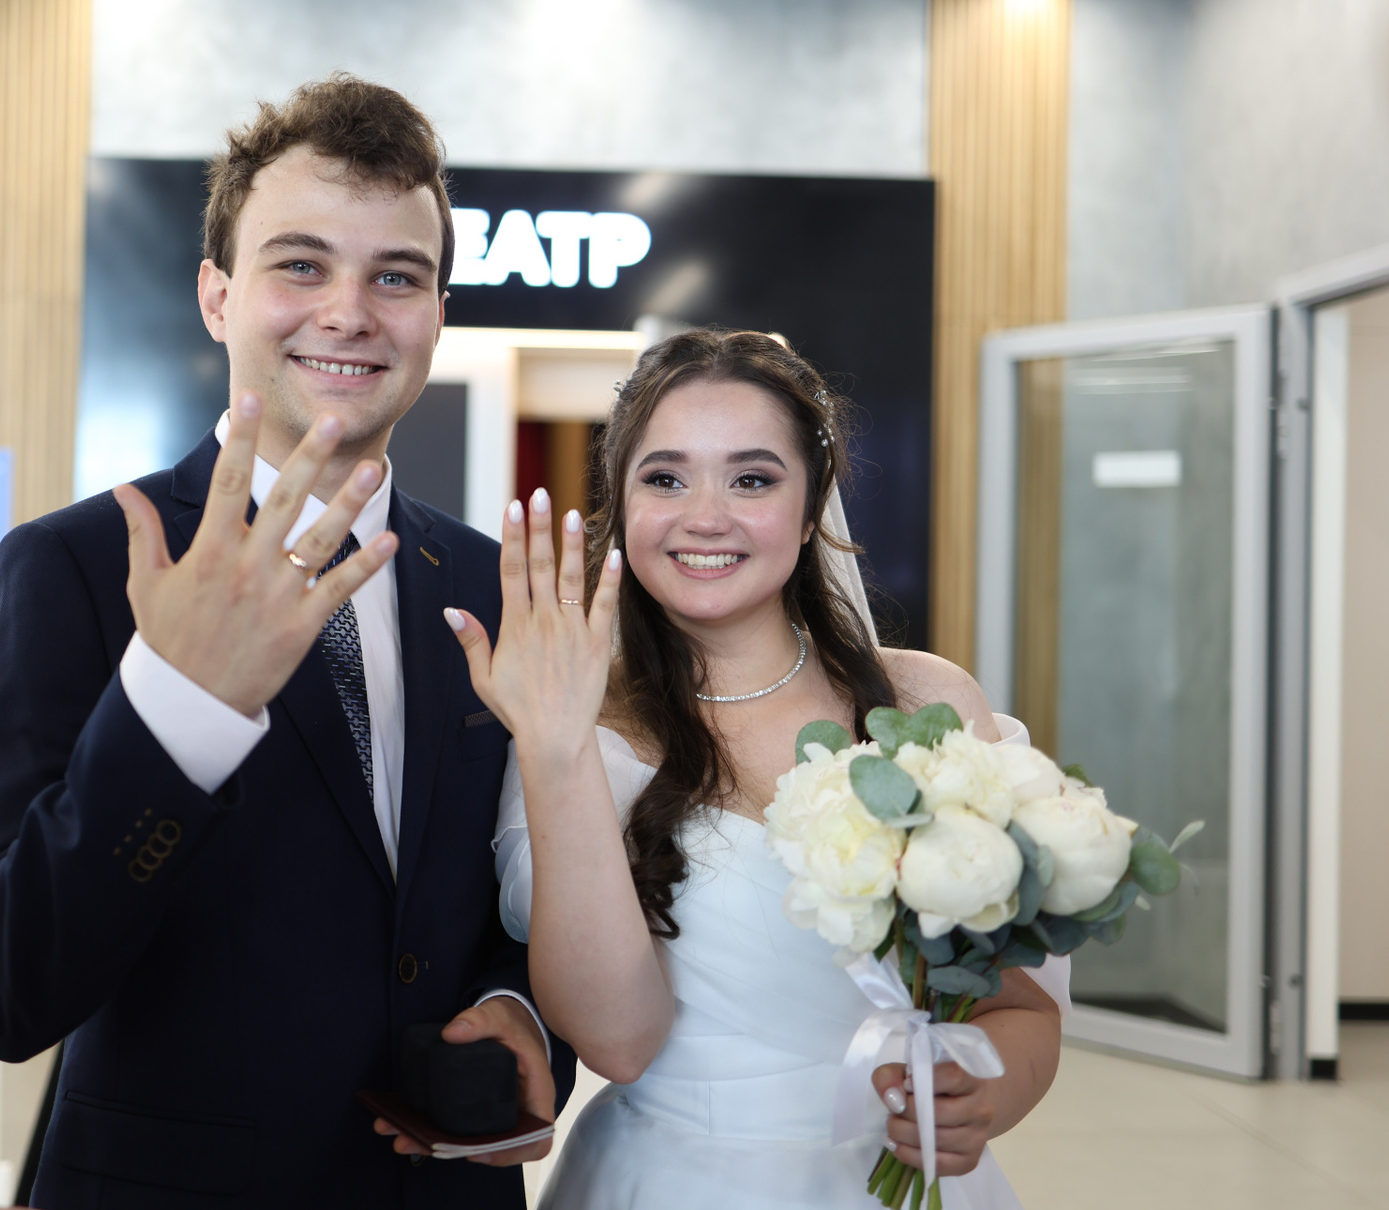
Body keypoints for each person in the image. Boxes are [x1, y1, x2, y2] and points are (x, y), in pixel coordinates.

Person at [0, 75, 574, 1209]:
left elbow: (538, 881)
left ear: (438, 314)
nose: (350, 312)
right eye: (301, 265)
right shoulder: (80, 565)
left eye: (396, 276)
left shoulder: (494, 582)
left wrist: (522, 1008)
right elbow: (2, 986)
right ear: (217, 296)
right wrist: (177, 711)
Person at [447, 330, 1066, 1208]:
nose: (706, 516)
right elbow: (618, 1042)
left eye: (752, 479)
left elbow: (1022, 1010)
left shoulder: (928, 705)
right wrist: (557, 749)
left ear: (811, 510)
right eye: (665, 479)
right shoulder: (574, 729)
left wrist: (984, 1095)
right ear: (622, 504)